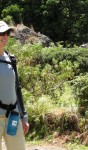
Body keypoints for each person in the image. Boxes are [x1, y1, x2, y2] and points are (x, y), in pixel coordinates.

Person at [0, 20, 29, 150]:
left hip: (13, 115)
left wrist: (24, 116)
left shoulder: (11, 59)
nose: (5, 36)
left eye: (7, 33)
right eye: (1, 33)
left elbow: (17, 88)